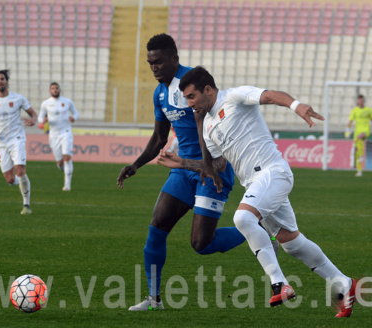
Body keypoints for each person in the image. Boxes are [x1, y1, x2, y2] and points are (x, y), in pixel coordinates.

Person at [157, 66, 357, 317]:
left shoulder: (235, 96)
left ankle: (279, 283)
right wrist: (182, 162)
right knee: (292, 243)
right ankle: (343, 283)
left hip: (273, 172)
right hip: (256, 185)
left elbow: (271, 95)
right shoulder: (207, 126)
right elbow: (217, 166)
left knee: (242, 218)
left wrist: (297, 106)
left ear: (207, 90)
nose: (189, 104)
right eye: (187, 98)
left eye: (191, 97)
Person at [117, 34, 250, 311]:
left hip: (211, 169)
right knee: (156, 230)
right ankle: (154, 300)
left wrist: (208, 166)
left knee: (202, 244)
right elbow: (158, 137)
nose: (154, 68)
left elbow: (210, 127)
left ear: (174, 59)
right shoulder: (160, 93)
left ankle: (258, 228)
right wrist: (137, 164)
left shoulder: (191, 86)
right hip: (182, 170)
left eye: (159, 62)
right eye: (150, 63)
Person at [0, 70, 38, 214]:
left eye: (2, 79)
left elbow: (33, 113)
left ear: (7, 82)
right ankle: (21, 183)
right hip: (1, 142)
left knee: (20, 170)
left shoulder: (18, 98)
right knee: (9, 179)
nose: (0, 81)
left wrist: (33, 120)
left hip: (17, 138)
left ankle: (26, 205)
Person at [38, 82, 79, 191]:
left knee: (67, 157)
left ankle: (67, 184)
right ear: (49, 91)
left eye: (56, 88)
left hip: (66, 132)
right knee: (60, 161)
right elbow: (40, 117)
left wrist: (73, 118)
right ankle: (63, 167)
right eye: (52, 88)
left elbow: (76, 113)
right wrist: (43, 120)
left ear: (59, 90)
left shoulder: (67, 102)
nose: (55, 90)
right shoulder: (46, 103)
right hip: (54, 134)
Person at [345, 94, 372, 177]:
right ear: (357, 101)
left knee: (359, 137)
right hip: (357, 132)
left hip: (366, 131)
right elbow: (350, 121)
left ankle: (361, 156)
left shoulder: (368, 110)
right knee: (357, 149)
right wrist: (347, 131)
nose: (360, 101)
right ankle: (359, 171)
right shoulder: (355, 110)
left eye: (362, 100)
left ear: (364, 101)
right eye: (359, 100)